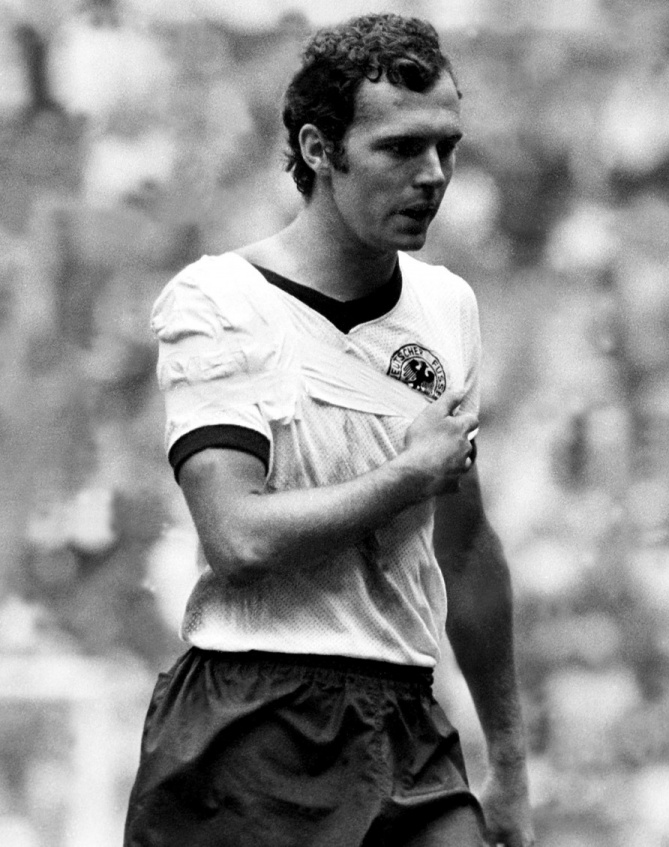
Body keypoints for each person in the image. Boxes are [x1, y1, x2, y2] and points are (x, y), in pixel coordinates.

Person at [125, 13, 533, 847]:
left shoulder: (447, 307)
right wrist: (404, 477)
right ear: (318, 149)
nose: (433, 174)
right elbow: (237, 537)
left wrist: (511, 761)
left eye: (447, 146)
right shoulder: (220, 300)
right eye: (400, 148)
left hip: (407, 721)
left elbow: (464, 549)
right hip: (251, 721)